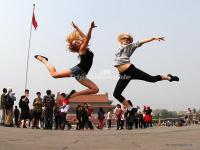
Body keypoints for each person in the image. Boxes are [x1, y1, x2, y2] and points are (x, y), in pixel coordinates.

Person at [113, 33, 179, 111]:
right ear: (121, 40)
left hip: (130, 70)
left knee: (152, 79)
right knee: (116, 94)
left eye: (127, 39)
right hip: (124, 75)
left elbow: (142, 41)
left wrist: (153, 38)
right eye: (124, 38)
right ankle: (131, 109)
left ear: (129, 41)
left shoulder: (131, 46)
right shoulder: (119, 48)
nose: (126, 40)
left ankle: (169, 77)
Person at [34, 21, 99, 99]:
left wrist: (76, 28)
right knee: (54, 74)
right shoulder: (82, 49)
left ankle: (74, 94)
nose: (77, 42)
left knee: (95, 89)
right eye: (75, 44)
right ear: (76, 48)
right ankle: (43, 60)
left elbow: (84, 38)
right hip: (78, 70)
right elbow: (87, 38)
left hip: (82, 74)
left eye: (77, 41)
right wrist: (90, 28)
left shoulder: (84, 47)